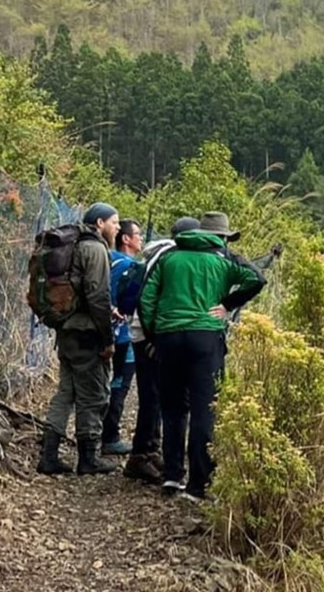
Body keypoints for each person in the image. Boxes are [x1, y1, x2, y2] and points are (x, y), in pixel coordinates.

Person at [139, 212, 266, 501]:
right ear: (219, 237)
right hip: (205, 338)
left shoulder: (169, 258)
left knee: (172, 407)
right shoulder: (223, 260)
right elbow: (257, 278)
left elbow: (146, 300)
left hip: (169, 338)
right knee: (204, 408)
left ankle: (172, 475)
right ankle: (199, 484)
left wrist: (153, 337)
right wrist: (227, 303)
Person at [37, 202, 119, 476]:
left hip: (66, 330)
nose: (117, 228)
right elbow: (97, 295)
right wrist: (107, 338)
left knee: (66, 392)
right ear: (99, 223)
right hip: (87, 333)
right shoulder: (94, 249)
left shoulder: (73, 247)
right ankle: (88, 458)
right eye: (114, 222)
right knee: (93, 395)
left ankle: (49, 456)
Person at [121, 216, 200, 485]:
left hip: (144, 335)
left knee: (154, 397)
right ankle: (141, 456)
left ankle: (149, 452)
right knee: (153, 397)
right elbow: (147, 300)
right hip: (149, 338)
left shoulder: (160, 255)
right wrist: (154, 339)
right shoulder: (168, 258)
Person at [101, 218, 142, 456]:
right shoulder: (129, 264)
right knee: (120, 384)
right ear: (126, 238)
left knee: (102, 383)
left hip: (101, 330)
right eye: (137, 235)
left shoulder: (107, 258)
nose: (141, 239)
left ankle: (96, 432)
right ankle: (111, 436)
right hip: (123, 334)